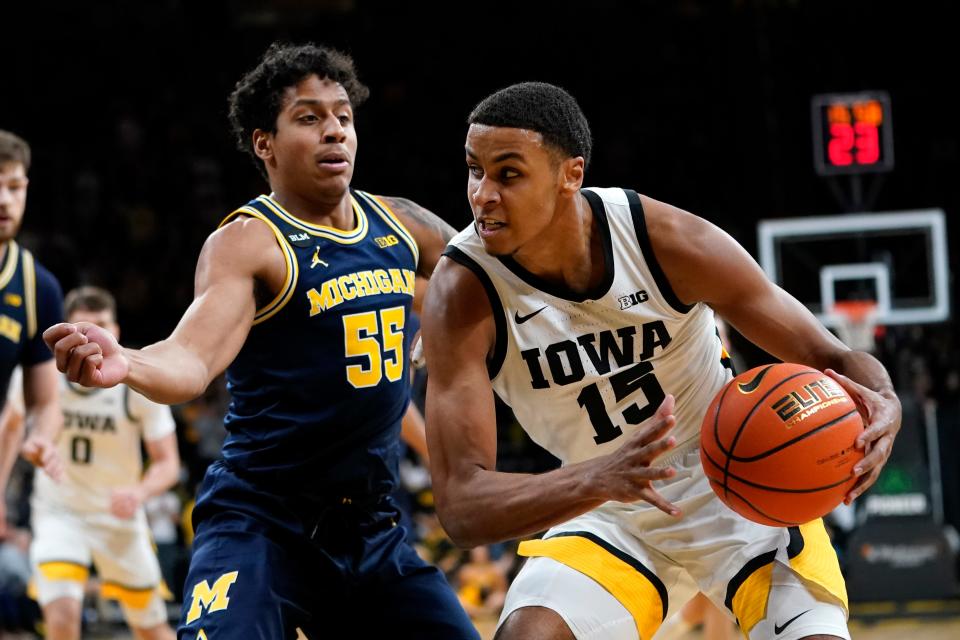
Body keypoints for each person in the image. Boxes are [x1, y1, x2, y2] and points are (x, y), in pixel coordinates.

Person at [421, 82, 902, 640]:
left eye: (508, 174)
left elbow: (831, 355)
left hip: (735, 486)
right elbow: (461, 506)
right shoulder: (463, 291)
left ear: (569, 175)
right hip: (604, 507)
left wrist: (884, 400)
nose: (482, 194)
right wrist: (597, 479)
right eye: (474, 170)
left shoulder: (665, 241)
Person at [44, 43, 477, 638]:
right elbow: (192, 357)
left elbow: (490, 284)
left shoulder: (401, 224)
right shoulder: (250, 242)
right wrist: (130, 362)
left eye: (343, 117)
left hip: (372, 528)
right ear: (264, 144)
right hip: (263, 521)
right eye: (309, 117)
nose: (335, 132)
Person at [4, 286, 180, 640]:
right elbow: (13, 428)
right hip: (60, 513)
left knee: (151, 630)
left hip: (119, 519)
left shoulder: (136, 383)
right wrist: (33, 445)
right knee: (62, 619)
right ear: (68, 334)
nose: (95, 335)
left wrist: (139, 492)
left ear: (115, 331)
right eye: (84, 327)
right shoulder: (42, 376)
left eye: (102, 325)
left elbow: (168, 463)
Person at [0, 130, 64, 537]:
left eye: (15, 186)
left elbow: (45, 402)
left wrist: (41, 437)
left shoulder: (36, 286)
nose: (5, 199)